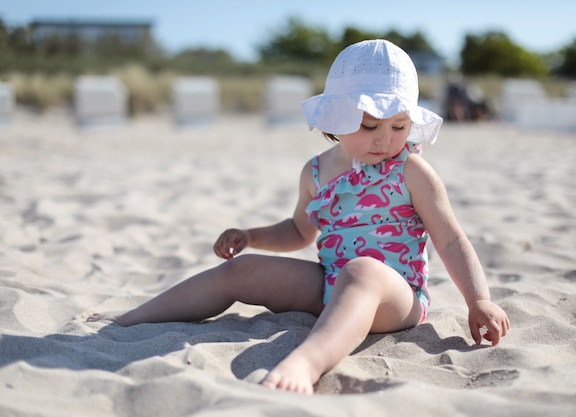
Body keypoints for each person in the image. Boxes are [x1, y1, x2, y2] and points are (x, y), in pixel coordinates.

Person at [88, 39, 510, 394]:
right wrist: (251, 235)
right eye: (368, 125)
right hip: (328, 285)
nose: (385, 139)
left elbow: (450, 239)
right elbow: (298, 231)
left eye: (399, 126)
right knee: (244, 271)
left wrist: (479, 300)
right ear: (337, 118)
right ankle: (133, 318)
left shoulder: (412, 171)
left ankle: (307, 363)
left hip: (396, 298)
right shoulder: (315, 171)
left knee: (364, 270)